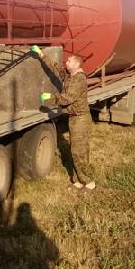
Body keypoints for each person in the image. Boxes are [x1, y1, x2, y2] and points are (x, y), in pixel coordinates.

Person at [31, 46, 95, 193]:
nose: (66, 61)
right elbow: (54, 68)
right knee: (74, 150)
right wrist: (41, 54)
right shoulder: (69, 75)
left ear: (77, 64)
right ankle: (78, 180)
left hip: (81, 119)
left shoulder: (79, 79)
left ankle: (89, 182)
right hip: (73, 118)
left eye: (70, 60)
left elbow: (68, 98)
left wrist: (50, 98)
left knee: (80, 151)